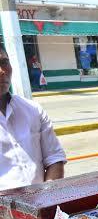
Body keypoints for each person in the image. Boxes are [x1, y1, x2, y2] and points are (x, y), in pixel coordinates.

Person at [0, 45, 66, 191]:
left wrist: (45, 199)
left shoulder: (33, 110)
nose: (2, 71)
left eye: (4, 62)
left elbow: (55, 159)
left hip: (42, 204)